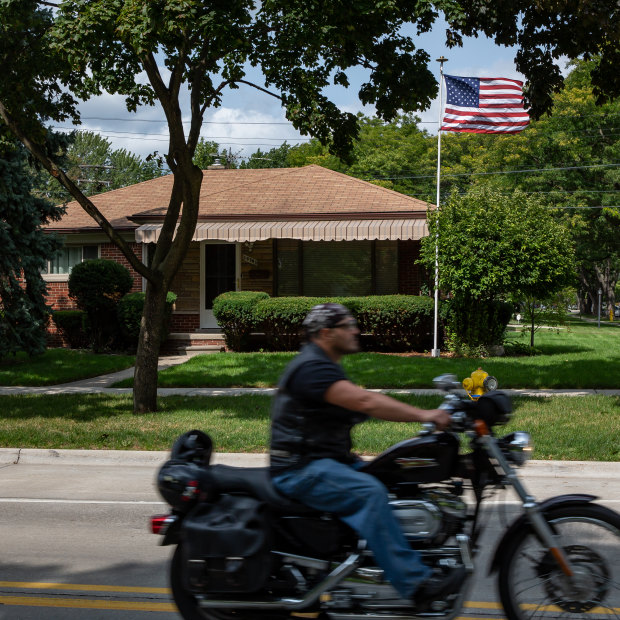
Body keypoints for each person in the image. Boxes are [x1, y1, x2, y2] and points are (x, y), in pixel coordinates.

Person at [269, 303, 465, 610]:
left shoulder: (323, 364)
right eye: (348, 325)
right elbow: (365, 401)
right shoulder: (312, 368)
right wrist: (425, 414)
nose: (356, 330)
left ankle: (378, 559)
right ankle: (416, 585)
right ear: (325, 333)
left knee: (392, 477)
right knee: (370, 493)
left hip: (326, 462)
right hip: (298, 469)